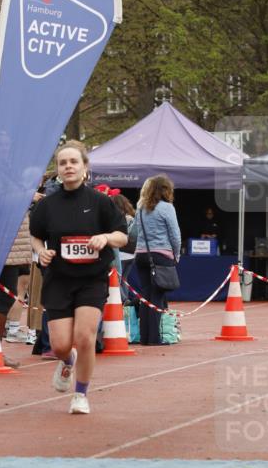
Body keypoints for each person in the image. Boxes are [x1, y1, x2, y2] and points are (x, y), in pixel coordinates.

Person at [29, 140, 127, 415]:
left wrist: (105, 238)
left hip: (91, 279)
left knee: (85, 337)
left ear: (85, 167)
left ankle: (81, 395)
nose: (68, 167)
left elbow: (122, 236)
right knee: (60, 345)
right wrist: (41, 252)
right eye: (63, 163)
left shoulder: (101, 202)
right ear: (58, 170)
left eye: (74, 162)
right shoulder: (47, 206)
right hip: (58, 279)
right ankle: (67, 360)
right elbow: (36, 236)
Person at [131, 175, 181, 346]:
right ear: (166, 190)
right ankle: (154, 338)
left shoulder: (140, 208)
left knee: (146, 296)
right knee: (157, 297)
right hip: (160, 255)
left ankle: (145, 336)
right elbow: (175, 235)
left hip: (141, 255)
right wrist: (176, 255)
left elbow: (134, 233)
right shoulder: (167, 208)